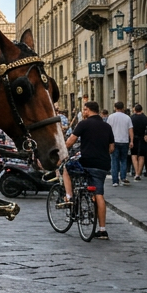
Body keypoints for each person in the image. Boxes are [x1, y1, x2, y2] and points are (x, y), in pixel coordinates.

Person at [65, 100, 113, 240]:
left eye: (83, 110)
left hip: (87, 162)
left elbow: (70, 141)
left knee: (66, 169)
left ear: (87, 110)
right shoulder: (107, 126)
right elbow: (112, 148)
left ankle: (69, 196)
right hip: (103, 165)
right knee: (99, 194)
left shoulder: (83, 124)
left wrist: (61, 151)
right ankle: (102, 230)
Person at [105, 102, 133, 186]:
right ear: (123, 108)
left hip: (114, 141)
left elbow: (108, 130)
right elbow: (130, 130)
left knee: (114, 161)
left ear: (115, 107)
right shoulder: (127, 117)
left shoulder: (111, 117)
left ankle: (115, 181)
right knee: (123, 160)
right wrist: (131, 141)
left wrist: (107, 141)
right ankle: (123, 178)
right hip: (124, 141)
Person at [130, 104, 147, 183]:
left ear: (135, 110)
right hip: (143, 138)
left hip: (134, 138)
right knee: (142, 156)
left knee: (134, 155)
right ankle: (139, 173)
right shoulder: (145, 119)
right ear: (141, 110)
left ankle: (136, 172)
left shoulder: (131, 118)